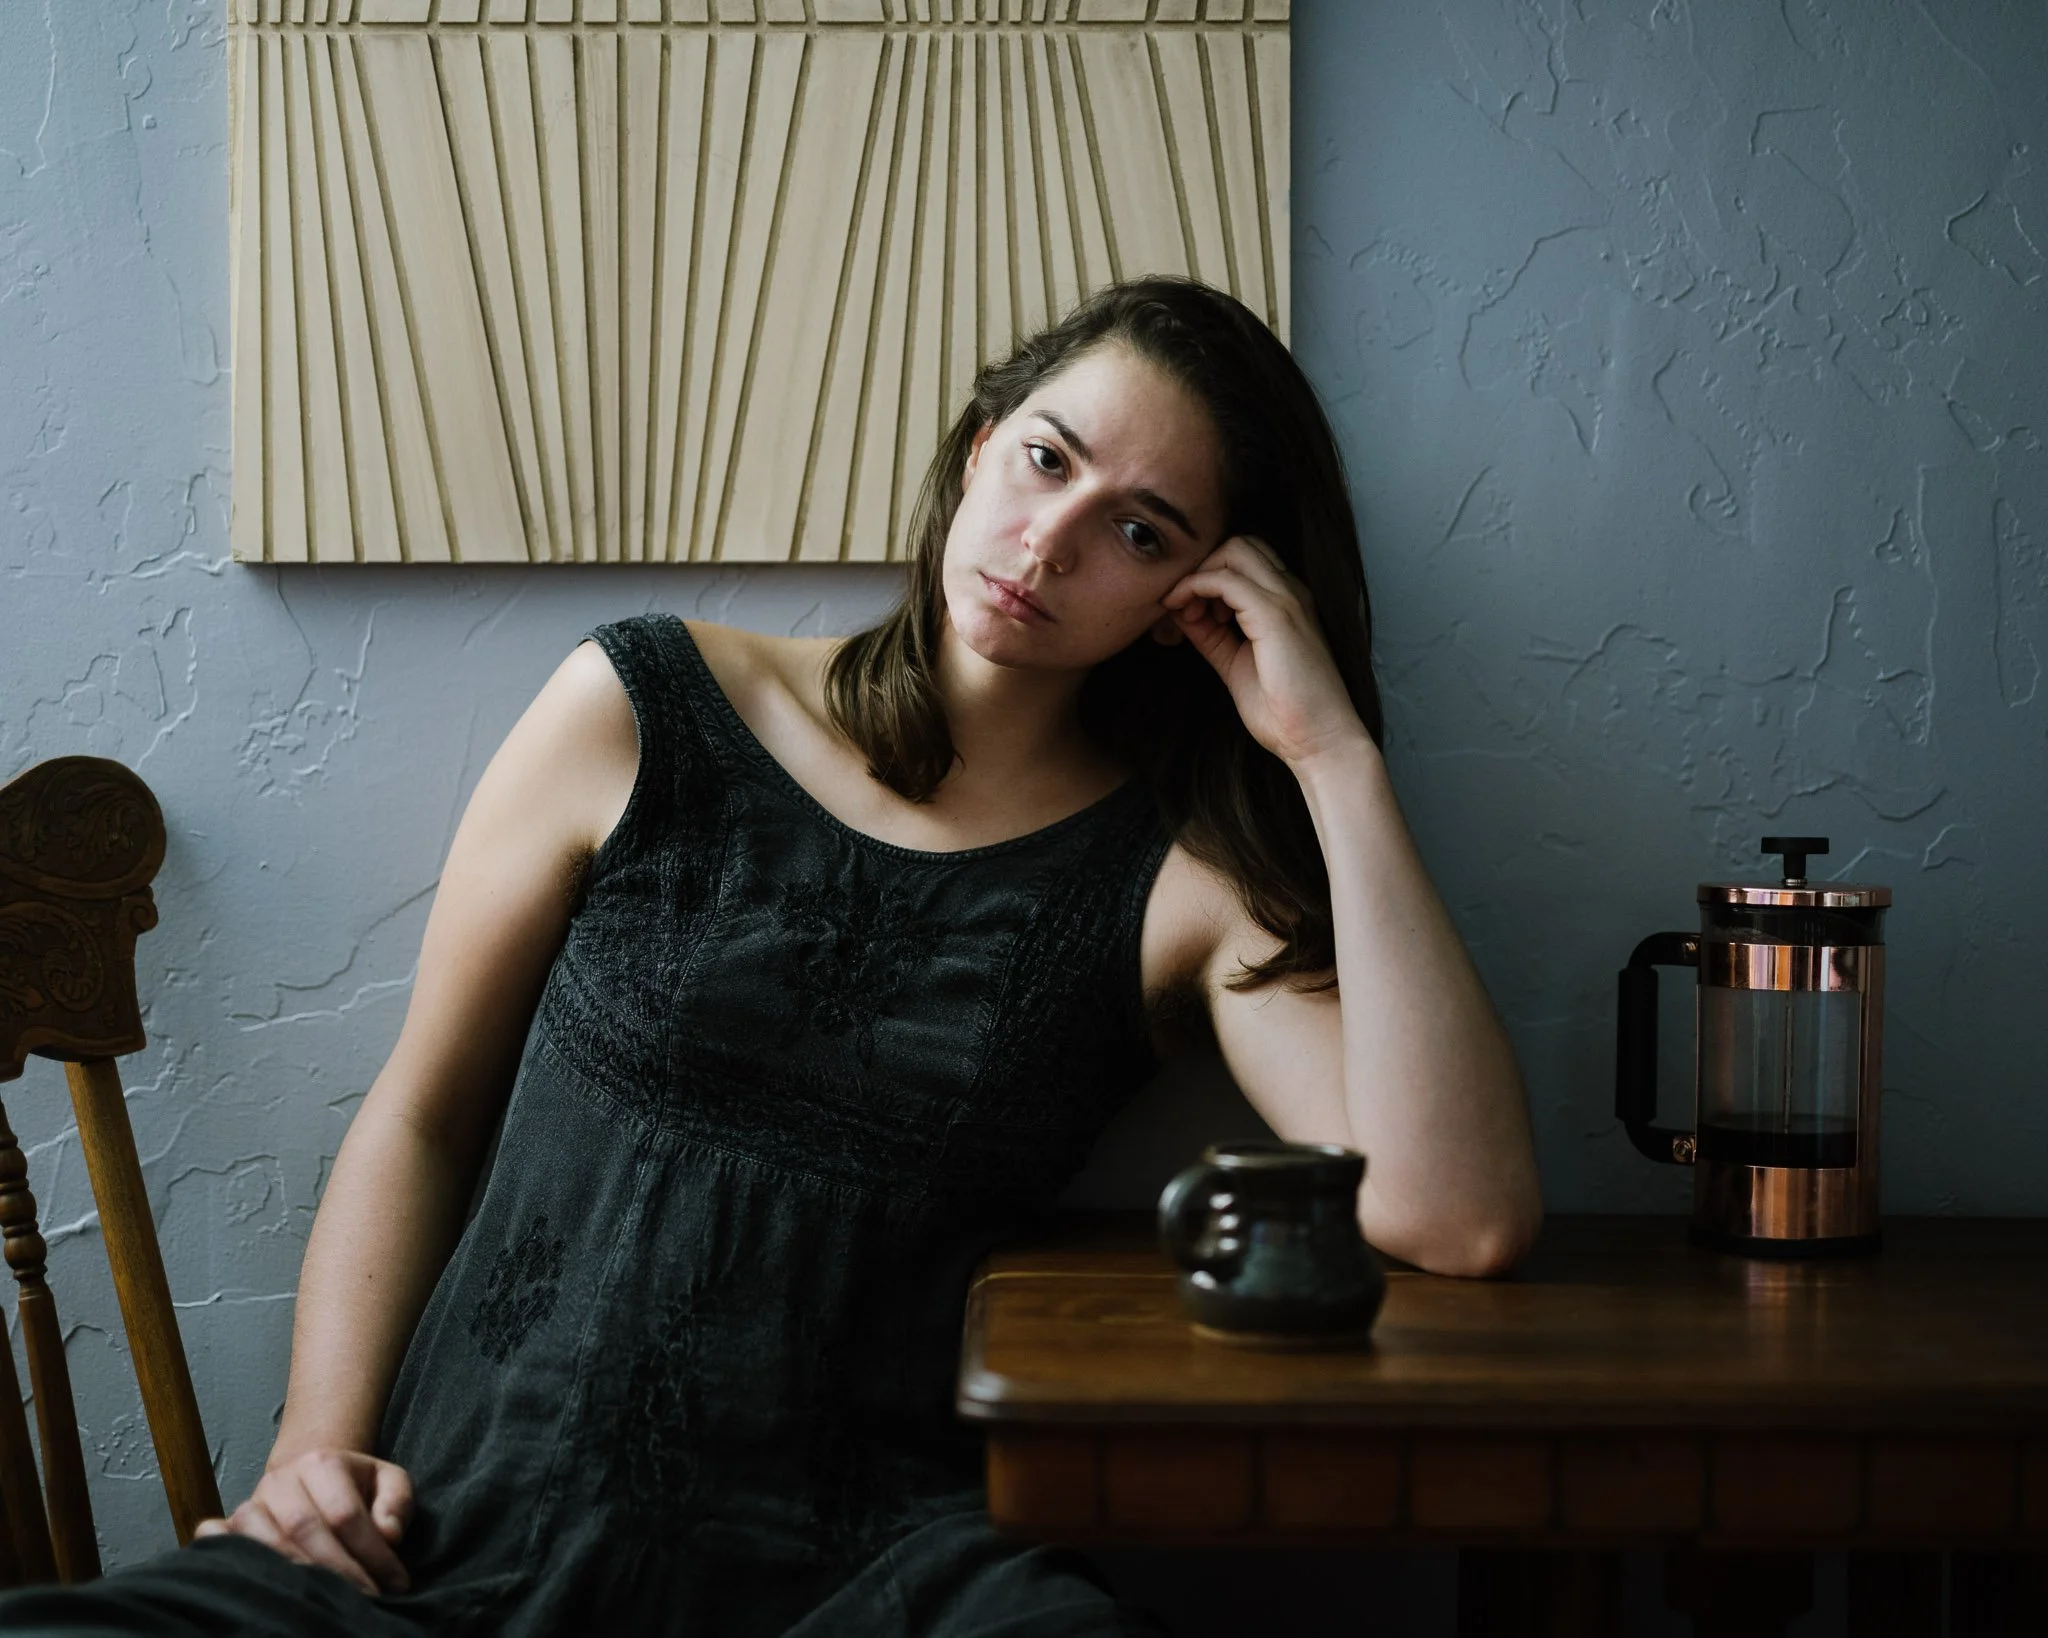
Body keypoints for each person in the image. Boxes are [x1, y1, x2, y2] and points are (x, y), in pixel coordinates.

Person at [0, 278, 1540, 1635]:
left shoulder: (1173, 880)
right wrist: (310, 1466)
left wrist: (1329, 756)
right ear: (981, 435)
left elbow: (1453, 1214)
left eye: (1140, 530)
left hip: (867, 1569)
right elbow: (422, 1111)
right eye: (1047, 459)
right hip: (461, 1526)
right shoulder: (643, 704)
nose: (1049, 542)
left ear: (1187, 601)